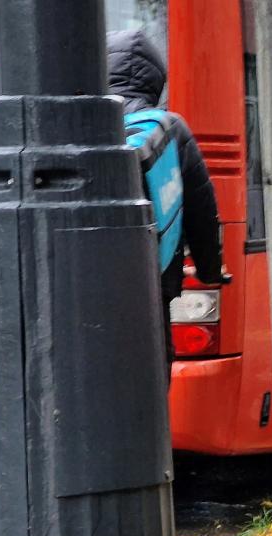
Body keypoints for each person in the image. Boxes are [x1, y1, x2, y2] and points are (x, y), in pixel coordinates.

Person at [106, 29, 224, 370]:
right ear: (155, 81)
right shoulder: (169, 129)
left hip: (87, 290)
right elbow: (203, 211)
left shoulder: (82, 125)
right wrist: (210, 270)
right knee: (152, 381)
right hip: (152, 289)